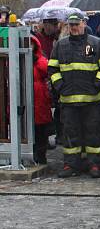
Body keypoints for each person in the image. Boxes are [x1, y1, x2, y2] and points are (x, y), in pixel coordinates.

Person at [48, 12, 100, 178]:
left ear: (84, 24)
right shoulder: (60, 46)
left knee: (93, 134)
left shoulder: (93, 44)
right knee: (70, 135)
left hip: (92, 100)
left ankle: (94, 164)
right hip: (68, 100)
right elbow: (52, 69)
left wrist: (98, 84)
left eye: (77, 24)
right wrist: (59, 86)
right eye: (71, 25)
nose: (74, 27)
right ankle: (70, 165)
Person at [31, 35, 53, 165]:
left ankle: (41, 154)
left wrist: (37, 61)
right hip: (26, 95)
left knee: (41, 129)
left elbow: (47, 70)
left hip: (39, 97)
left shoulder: (40, 60)